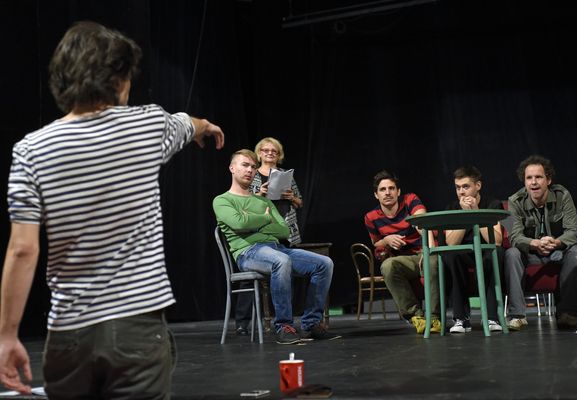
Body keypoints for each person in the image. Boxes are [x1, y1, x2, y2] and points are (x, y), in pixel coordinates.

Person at [0, 21, 224, 397]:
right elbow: (188, 124)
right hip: (138, 328)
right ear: (119, 80)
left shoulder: (31, 150)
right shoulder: (148, 125)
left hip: (69, 332)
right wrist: (206, 126)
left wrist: (7, 335)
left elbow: (23, 249)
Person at [213, 149, 336, 344]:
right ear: (232, 168)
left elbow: (284, 231)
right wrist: (265, 218)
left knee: (324, 264)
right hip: (248, 252)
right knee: (281, 260)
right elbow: (239, 223)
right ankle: (284, 326)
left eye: (253, 167)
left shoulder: (263, 200)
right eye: (245, 165)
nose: (250, 170)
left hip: (277, 248)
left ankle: (311, 323)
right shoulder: (222, 200)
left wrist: (252, 221)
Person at [505, 155, 577, 331]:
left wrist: (556, 242)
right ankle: (517, 316)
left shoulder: (562, 195)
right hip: (530, 254)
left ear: (548, 180)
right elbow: (515, 236)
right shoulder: (515, 201)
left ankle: (569, 314)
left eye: (538, 177)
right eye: (529, 178)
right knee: (511, 253)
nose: (533, 182)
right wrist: (534, 243)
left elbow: (574, 231)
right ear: (524, 181)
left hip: (558, 251)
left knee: (576, 252)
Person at [235, 137, 303, 335]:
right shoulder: (253, 174)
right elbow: (245, 203)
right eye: (266, 150)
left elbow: (300, 202)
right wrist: (260, 194)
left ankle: (282, 319)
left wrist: (292, 197)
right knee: (250, 277)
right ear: (259, 153)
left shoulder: (286, 175)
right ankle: (242, 322)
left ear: (278, 154)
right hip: (260, 230)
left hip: (285, 228)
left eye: (274, 151)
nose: (270, 153)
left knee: (286, 271)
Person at [363, 170, 441, 334]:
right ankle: (416, 316)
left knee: (432, 261)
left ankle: (434, 317)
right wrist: (387, 240)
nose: (387, 193)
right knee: (388, 266)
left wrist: (429, 251)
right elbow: (376, 243)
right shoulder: (371, 217)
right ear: (376, 195)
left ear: (398, 192)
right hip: (404, 260)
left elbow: (423, 224)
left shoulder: (410, 200)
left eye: (391, 188)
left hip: (423, 251)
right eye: (382, 190)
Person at [441, 166, 504, 333]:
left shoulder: (492, 204)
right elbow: (451, 243)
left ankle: (491, 317)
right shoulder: (452, 207)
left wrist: (476, 212)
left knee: (496, 254)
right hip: (463, 253)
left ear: (478, 185)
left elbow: (497, 241)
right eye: (458, 187)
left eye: (466, 186)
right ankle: (461, 318)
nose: (461, 192)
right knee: (450, 255)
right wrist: (464, 214)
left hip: (485, 251)